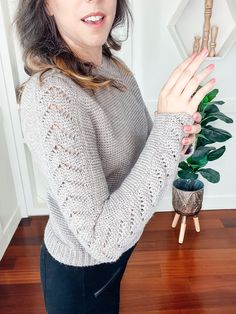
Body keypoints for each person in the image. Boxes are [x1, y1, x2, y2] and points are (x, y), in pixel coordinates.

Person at [14, 0, 215, 313]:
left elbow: (145, 149)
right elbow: (102, 239)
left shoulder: (111, 66)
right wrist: (167, 129)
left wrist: (178, 136)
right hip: (81, 276)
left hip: (116, 259)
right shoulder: (51, 100)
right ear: (46, 6)